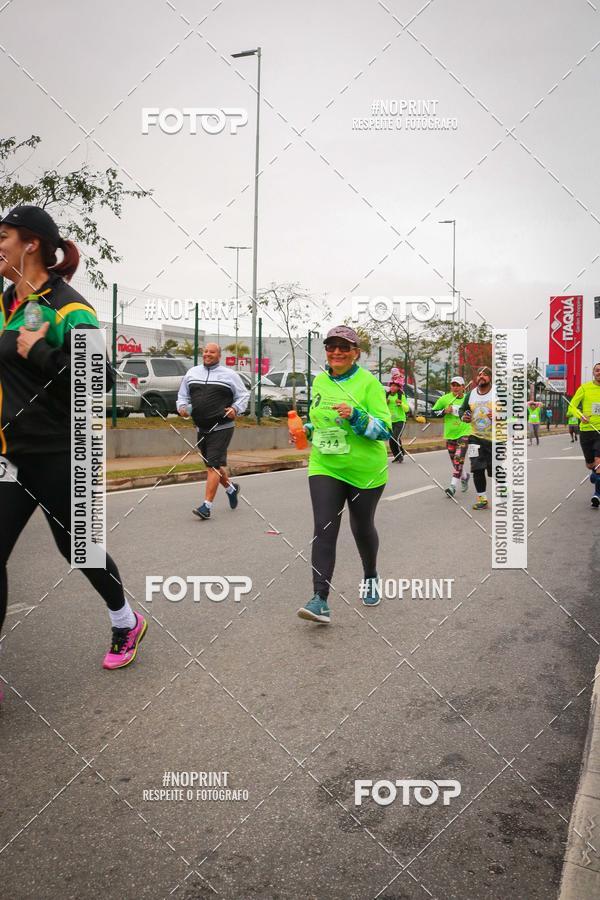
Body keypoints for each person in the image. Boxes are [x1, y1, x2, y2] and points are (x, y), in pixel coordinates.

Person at [0, 205, 146, 686]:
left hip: (63, 451)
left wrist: (39, 351)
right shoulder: (5, 305)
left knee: (79, 549)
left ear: (31, 244)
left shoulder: (70, 307)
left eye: (3, 236)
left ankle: (126, 620)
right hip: (7, 453)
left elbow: (97, 380)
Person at [295, 326, 392, 622]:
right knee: (323, 528)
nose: (336, 352)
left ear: (355, 353)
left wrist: (357, 415)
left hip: (365, 471)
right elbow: (321, 420)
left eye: (343, 347)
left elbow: (385, 430)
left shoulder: (369, 384)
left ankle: (371, 575)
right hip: (325, 464)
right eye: (331, 346)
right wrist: (307, 430)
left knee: (362, 528)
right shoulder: (320, 380)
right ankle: (319, 600)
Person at [177, 343, 249, 519]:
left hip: (222, 427)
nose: (208, 354)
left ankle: (206, 507)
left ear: (219, 355)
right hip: (201, 427)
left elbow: (243, 395)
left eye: (212, 352)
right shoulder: (192, 373)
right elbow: (182, 395)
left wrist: (235, 409)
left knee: (213, 466)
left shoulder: (230, 375)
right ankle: (231, 489)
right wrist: (182, 407)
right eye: (205, 351)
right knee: (212, 465)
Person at [459, 366, 503, 511]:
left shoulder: (499, 393)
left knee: (493, 469)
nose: (481, 376)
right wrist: (463, 416)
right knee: (477, 468)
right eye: (479, 375)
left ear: (490, 378)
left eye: (484, 374)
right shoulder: (471, 394)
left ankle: (503, 487)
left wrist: (500, 416)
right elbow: (462, 409)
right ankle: (482, 499)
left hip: (496, 438)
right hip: (475, 437)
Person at [431, 375, 471, 497]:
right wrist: (444, 411)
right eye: (453, 385)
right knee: (455, 461)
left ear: (463, 387)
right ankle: (464, 476)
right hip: (450, 434)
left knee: (459, 459)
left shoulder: (468, 399)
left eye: (458, 385)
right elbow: (432, 412)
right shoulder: (444, 399)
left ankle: (452, 486)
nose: (455, 387)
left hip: (465, 432)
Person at [566, 363, 600, 508]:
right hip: (586, 430)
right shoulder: (585, 388)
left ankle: (597, 495)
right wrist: (580, 416)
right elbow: (572, 406)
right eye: (597, 370)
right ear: (593, 373)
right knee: (590, 464)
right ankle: (595, 475)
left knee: (599, 463)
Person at [386, 369, 410, 462]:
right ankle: (397, 455)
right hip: (390, 421)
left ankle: (400, 456)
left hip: (400, 420)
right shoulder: (387, 396)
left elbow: (407, 409)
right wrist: (385, 403)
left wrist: (401, 404)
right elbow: (382, 408)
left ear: (398, 388)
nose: (392, 387)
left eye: (395, 386)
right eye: (391, 385)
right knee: (392, 439)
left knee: (395, 438)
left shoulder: (401, 396)